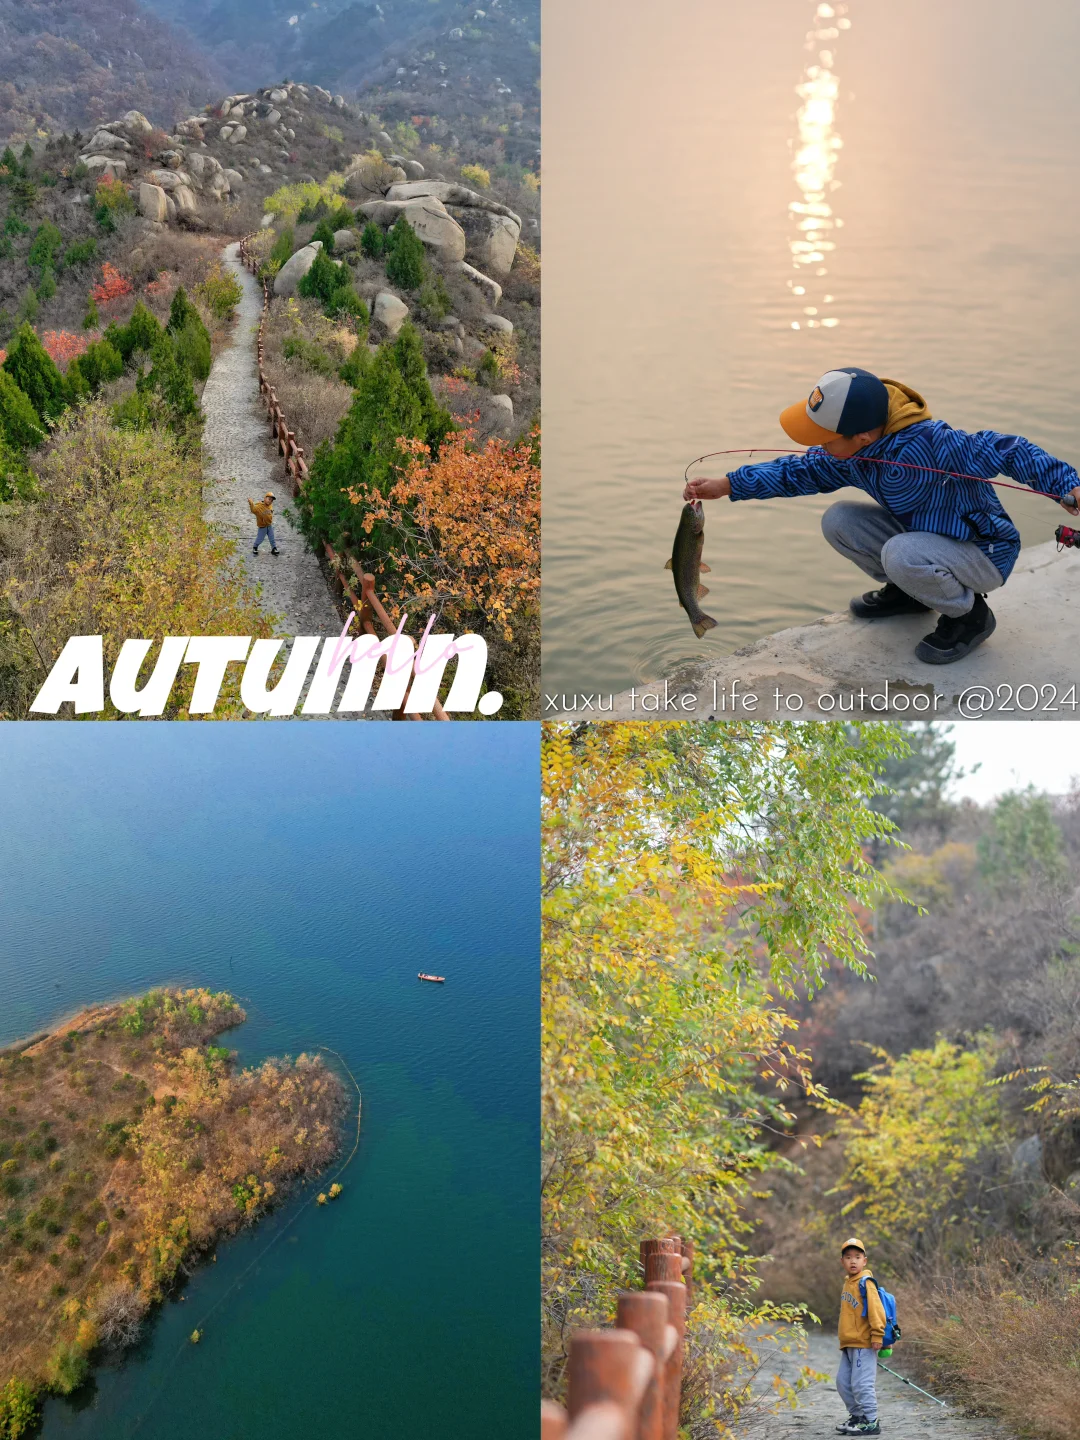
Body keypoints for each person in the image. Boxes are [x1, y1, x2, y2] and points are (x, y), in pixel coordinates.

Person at [683, 367, 1080, 664]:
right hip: (921, 540)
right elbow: (798, 471)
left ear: (863, 436)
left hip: (982, 552)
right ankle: (912, 594)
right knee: (838, 519)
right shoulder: (851, 452)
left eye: (824, 436)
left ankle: (971, 616)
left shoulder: (936, 444)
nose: (818, 444)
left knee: (902, 553)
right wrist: (729, 485)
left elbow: (1009, 450)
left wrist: (1066, 484)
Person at [835, 1237, 884, 1437]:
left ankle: (872, 1421)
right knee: (843, 1382)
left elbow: (876, 1310)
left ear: (865, 1260)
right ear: (842, 1262)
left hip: (864, 1343)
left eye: (857, 1257)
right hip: (848, 1344)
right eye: (848, 1257)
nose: (853, 1261)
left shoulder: (866, 1282)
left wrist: (877, 1334)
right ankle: (857, 1417)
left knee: (862, 1384)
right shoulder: (848, 1283)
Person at [248, 491, 280, 556]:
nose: (270, 501)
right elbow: (253, 510)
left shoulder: (270, 505)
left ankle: (274, 548)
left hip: (269, 525)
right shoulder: (259, 506)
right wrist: (251, 503)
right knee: (260, 538)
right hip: (262, 527)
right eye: (269, 499)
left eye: (271, 500)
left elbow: (270, 512)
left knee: (272, 538)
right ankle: (255, 547)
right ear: (265, 498)